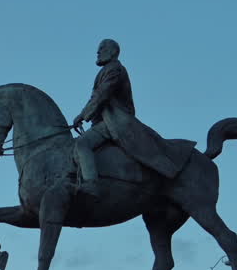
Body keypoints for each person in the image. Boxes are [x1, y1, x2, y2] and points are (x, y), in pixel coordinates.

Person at [71, 38, 179, 204]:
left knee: (82, 145)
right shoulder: (106, 70)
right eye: (98, 49)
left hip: (116, 122)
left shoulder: (115, 69)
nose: (98, 52)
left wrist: (83, 115)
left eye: (101, 48)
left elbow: (101, 95)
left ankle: (91, 184)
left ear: (112, 52)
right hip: (104, 121)